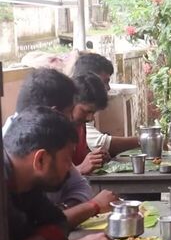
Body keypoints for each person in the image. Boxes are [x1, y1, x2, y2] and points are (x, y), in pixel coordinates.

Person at [5, 107, 122, 240]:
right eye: (67, 160)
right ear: (41, 160)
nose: (71, 168)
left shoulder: (26, 184)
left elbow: (57, 221)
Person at [2, 68, 118, 227]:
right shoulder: (25, 156)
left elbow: (79, 188)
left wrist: (60, 212)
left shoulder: (42, 152)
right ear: (52, 114)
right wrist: (92, 207)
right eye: (70, 112)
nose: (72, 119)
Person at [72, 52, 141, 156]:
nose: (108, 88)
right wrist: (144, 140)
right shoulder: (65, 119)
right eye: (104, 82)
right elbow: (100, 143)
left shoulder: (82, 119)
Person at [70, 72, 110, 175]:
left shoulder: (80, 125)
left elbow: (81, 156)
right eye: (86, 111)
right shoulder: (52, 130)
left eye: (93, 113)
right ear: (71, 102)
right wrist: (79, 169)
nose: (90, 118)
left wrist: (95, 157)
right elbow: (48, 182)